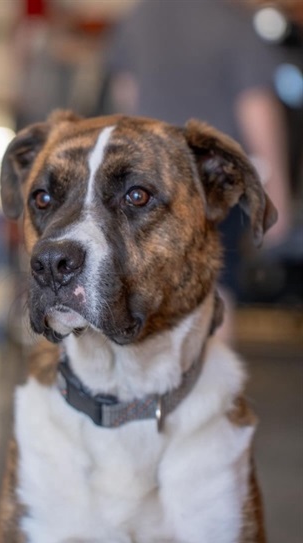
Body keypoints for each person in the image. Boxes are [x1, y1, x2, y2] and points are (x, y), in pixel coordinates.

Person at [103, 0, 292, 340]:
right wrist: (277, 199)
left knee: (145, 286)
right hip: (208, 182)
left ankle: (156, 392)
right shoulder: (235, 22)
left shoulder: (140, 17)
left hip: (143, 189)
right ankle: (208, 391)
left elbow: (126, 94)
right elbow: (257, 111)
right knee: (216, 289)